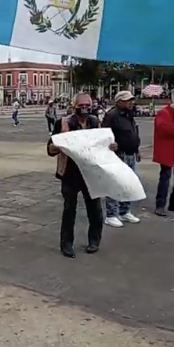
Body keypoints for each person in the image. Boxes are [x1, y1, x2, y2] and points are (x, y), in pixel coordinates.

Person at [47, 92, 116, 258]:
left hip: (90, 173)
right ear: (74, 106)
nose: (84, 108)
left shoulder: (94, 122)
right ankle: (66, 244)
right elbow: (50, 149)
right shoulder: (63, 123)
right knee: (69, 210)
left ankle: (94, 241)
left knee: (95, 209)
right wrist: (60, 146)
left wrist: (111, 146)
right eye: (81, 105)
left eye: (87, 105)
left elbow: (103, 145)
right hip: (70, 173)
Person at [101, 90, 143, 227]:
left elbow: (133, 131)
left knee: (128, 183)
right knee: (115, 183)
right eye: (127, 100)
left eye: (132, 100)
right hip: (119, 154)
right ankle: (111, 214)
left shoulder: (129, 114)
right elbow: (103, 134)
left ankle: (125, 211)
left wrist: (137, 149)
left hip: (131, 153)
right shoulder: (111, 115)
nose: (131, 102)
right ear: (119, 101)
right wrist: (109, 145)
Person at [153, 93, 174, 216]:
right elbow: (164, 129)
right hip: (167, 151)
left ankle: (172, 204)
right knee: (165, 178)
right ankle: (160, 205)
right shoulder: (164, 113)